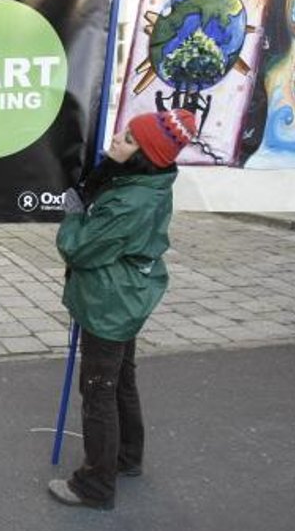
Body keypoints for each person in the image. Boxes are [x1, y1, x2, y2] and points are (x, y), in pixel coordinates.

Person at [48, 108, 198, 510]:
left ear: (144, 155)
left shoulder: (132, 200)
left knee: (98, 390)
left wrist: (75, 217)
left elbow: (80, 248)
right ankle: (127, 457)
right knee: (120, 380)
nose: (116, 138)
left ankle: (95, 485)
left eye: (129, 139)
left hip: (109, 303)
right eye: (124, 131)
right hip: (125, 295)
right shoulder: (141, 179)